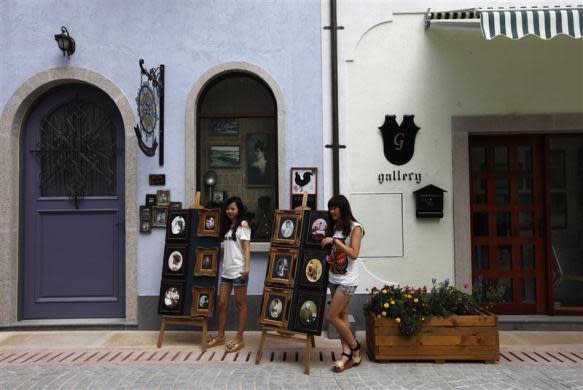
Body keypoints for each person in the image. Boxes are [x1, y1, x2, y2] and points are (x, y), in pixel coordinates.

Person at [321, 194, 364, 373]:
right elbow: (338, 255)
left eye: (335, 208)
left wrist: (335, 241)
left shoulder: (356, 228)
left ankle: (355, 347)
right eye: (330, 208)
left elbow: (354, 254)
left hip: (347, 280)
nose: (331, 211)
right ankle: (346, 354)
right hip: (334, 278)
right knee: (342, 317)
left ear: (343, 208)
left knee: (332, 317)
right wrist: (330, 258)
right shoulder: (337, 227)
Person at [207, 196, 251, 353]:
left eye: (232, 208)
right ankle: (220, 336)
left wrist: (247, 268)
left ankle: (240, 338)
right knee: (222, 304)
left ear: (239, 210)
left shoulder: (243, 225)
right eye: (227, 208)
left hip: (239, 271)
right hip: (226, 271)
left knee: (241, 305)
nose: (229, 211)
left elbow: (246, 248)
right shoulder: (226, 227)